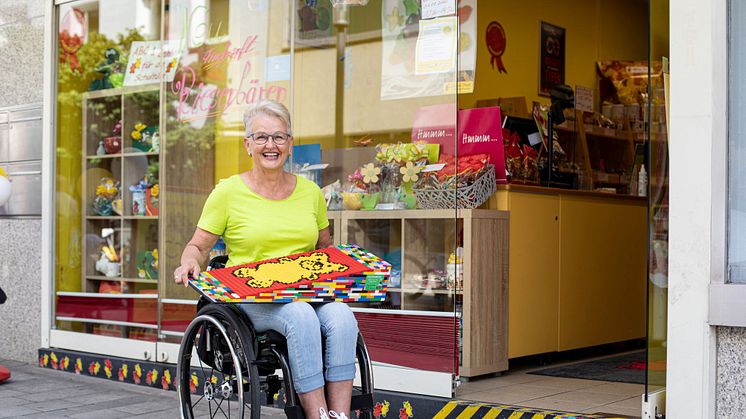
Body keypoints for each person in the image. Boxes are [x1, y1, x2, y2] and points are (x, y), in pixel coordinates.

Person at [174, 100, 357, 419]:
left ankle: (339, 415)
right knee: (299, 316)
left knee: (341, 316)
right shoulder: (228, 192)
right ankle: (317, 415)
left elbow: (324, 251)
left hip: (307, 291)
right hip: (253, 300)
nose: (270, 145)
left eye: (279, 137)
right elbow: (199, 246)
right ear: (248, 144)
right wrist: (189, 261)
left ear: (290, 145)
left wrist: (349, 269)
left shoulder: (311, 192)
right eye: (261, 137)